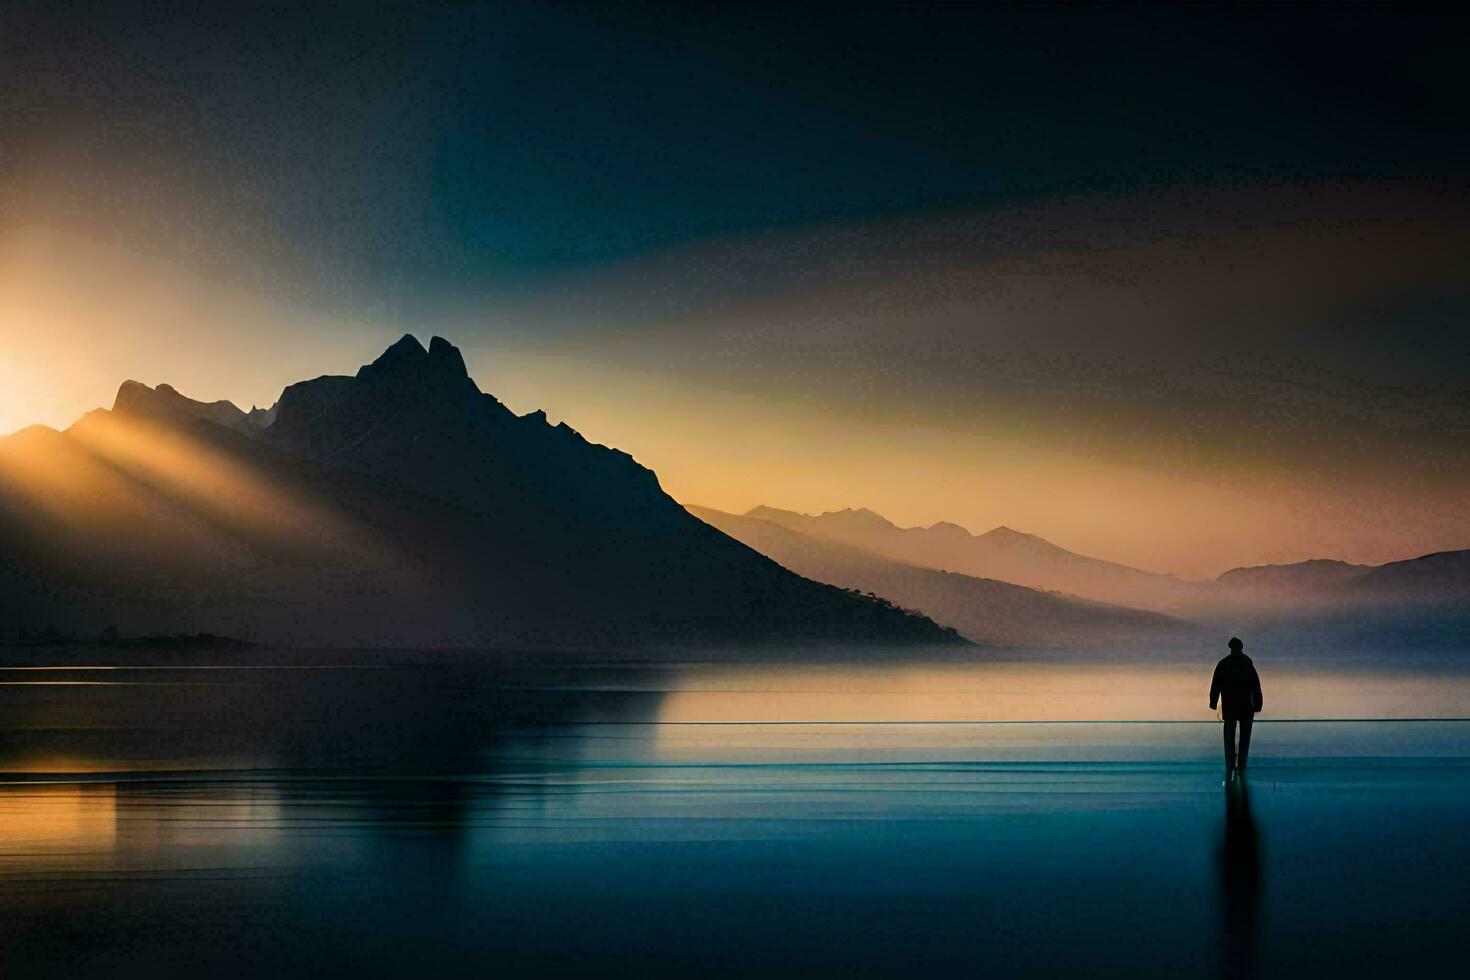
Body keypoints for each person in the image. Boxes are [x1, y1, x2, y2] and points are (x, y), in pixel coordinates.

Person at [1210, 637, 1263, 778]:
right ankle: (1241, 765)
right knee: (1244, 738)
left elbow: (1216, 685)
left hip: (1230, 706)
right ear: (1241, 647)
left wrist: (1213, 702)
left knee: (1229, 736)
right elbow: (1255, 686)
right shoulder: (1247, 663)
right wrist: (1258, 704)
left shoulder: (1224, 664)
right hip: (1246, 707)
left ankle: (1230, 764)